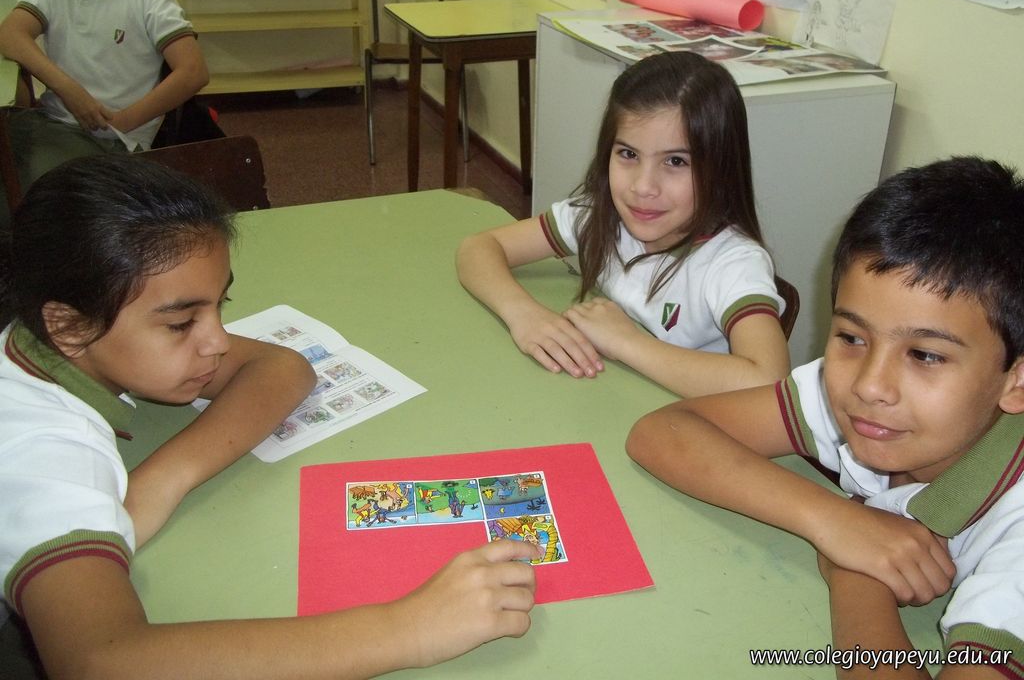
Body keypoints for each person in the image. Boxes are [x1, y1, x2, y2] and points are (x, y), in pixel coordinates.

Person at [0, 156, 541, 680]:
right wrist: (409, 629)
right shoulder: (43, 448)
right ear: (68, 327)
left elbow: (281, 367)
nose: (216, 341)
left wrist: (164, 479)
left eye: (219, 306)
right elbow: (98, 663)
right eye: (181, 324)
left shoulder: (52, 343)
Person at [626, 157, 1024, 678]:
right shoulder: (859, 394)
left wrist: (854, 575)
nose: (869, 385)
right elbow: (662, 433)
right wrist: (836, 521)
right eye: (852, 337)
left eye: (926, 355)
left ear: (1015, 380)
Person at [457, 52, 790, 398]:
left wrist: (625, 342)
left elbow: (767, 382)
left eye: (676, 161)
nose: (643, 187)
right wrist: (525, 316)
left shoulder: (732, 263)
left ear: (720, 169)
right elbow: (477, 248)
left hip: (683, 420)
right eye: (628, 154)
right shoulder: (599, 215)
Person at [0, 0, 209, 219]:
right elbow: (10, 34)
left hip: (109, 140)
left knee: (32, 198)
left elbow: (193, 72)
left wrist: (120, 123)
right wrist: (69, 90)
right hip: (50, 122)